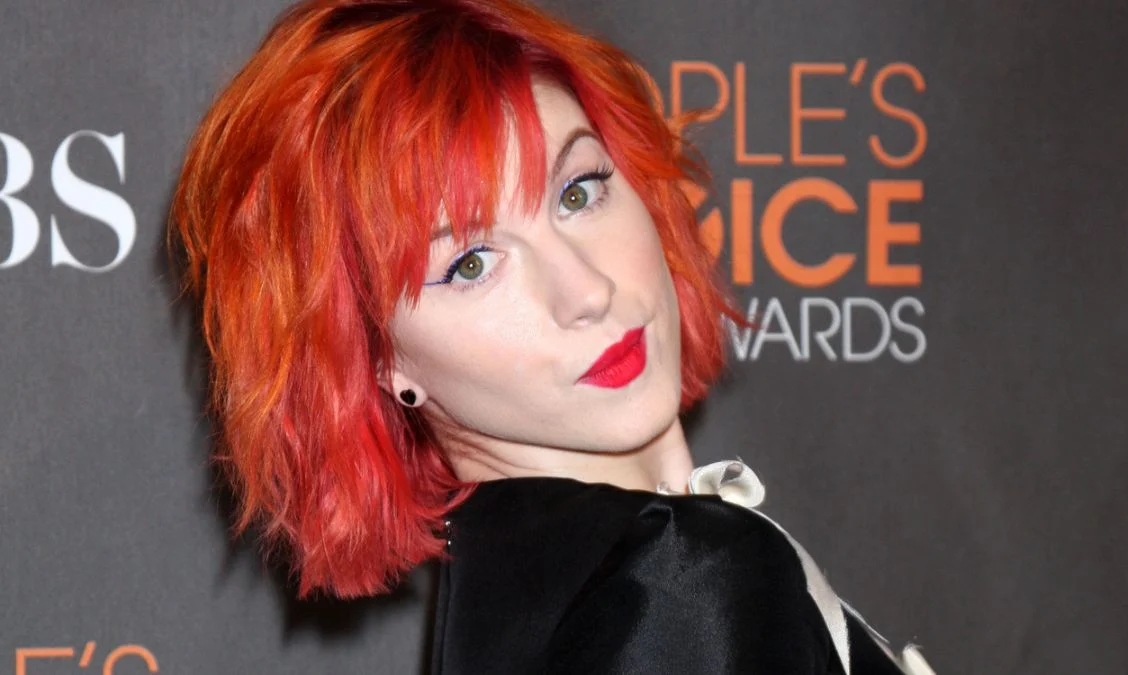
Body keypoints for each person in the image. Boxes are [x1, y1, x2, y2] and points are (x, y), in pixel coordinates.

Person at [171, 0, 935, 672]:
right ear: (378, 358)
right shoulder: (687, 587)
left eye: (577, 191)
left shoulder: (516, 604)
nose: (587, 291)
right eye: (471, 263)